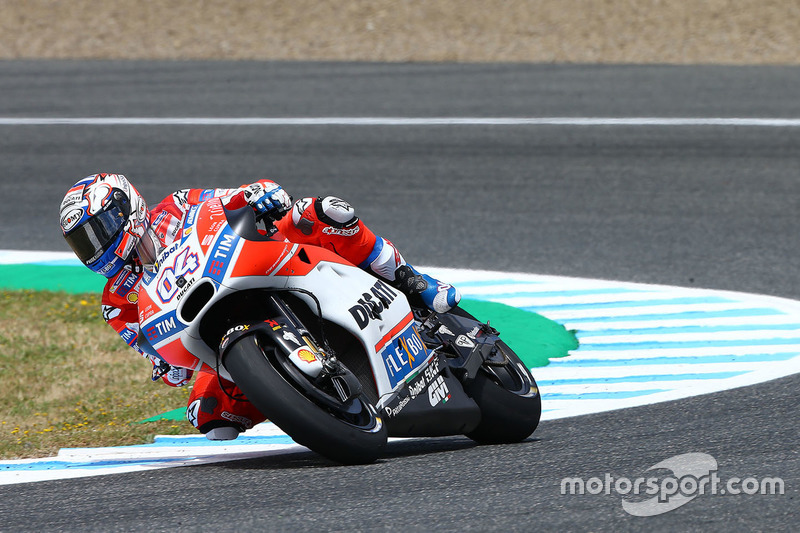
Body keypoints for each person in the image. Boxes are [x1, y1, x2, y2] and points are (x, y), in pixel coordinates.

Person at [59, 173, 460, 440]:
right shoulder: (116, 301)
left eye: (98, 232)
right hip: (216, 332)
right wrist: (166, 366)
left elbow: (226, 203)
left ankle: (410, 280)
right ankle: (310, 401)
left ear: (123, 209)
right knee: (207, 414)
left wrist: (257, 193)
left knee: (322, 213)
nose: (94, 248)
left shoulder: (175, 208)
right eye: (83, 243)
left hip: (258, 266)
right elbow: (157, 355)